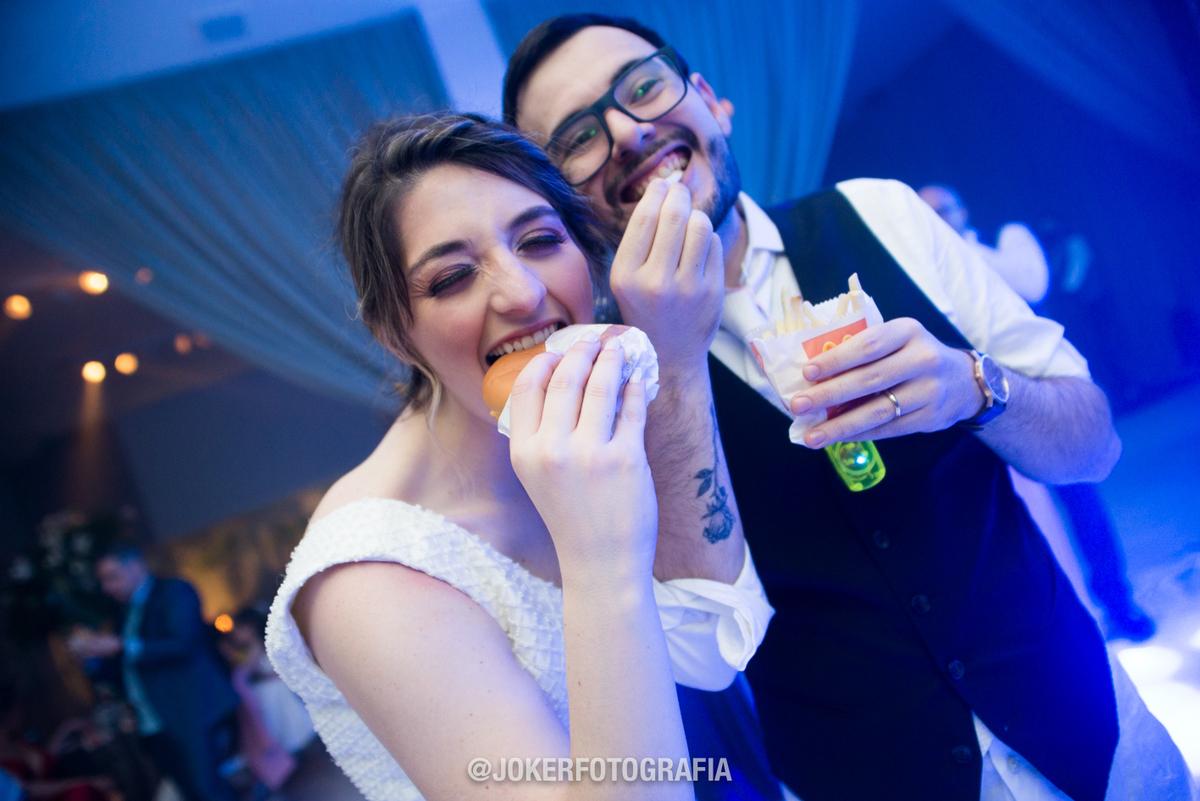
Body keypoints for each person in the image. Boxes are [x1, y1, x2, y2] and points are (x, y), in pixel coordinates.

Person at [503, 14, 1198, 801]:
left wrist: (975, 387)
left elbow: (1094, 446)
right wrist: (670, 351)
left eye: (643, 87)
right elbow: (703, 655)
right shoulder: (606, 384)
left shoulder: (884, 216)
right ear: (563, 201)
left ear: (710, 101)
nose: (629, 131)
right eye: (576, 139)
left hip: (1097, 737)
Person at [265, 113, 777, 801]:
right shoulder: (369, 574)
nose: (523, 293)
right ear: (394, 332)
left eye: (539, 240)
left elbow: (716, 647)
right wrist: (601, 557)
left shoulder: (612, 398)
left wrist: (680, 366)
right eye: (451, 278)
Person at [919, 185, 1156, 643]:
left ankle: (1119, 602)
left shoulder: (1007, 240)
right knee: (1015, 525)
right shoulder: (932, 270)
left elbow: (1034, 284)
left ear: (962, 210)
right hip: (982, 416)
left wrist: (956, 250)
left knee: (1082, 500)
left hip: (1041, 401)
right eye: (929, 217)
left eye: (943, 211)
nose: (939, 221)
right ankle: (1062, 628)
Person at [67, 546, 239, 801]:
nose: (107, 587)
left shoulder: (174, 591)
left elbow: (185, 644)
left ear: (136, 566)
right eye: (103, 580)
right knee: (190, 793)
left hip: (190, 711)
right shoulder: (122, 615)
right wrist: (92, 661)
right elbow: (125, 673)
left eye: (112, 576)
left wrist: (121, 646)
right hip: (152, 722)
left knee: (209, 790)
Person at [917, 184, 1050, 304]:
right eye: (926, 215)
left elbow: (1033, 289)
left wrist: (955, 248)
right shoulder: (924, 261)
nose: (934, 220)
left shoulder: (1008, 233)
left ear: (963, 213)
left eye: (941, 211)